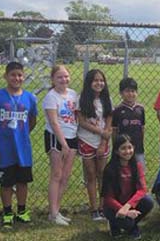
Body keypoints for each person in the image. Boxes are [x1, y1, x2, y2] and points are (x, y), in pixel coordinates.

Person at [0, 61, 38, 228]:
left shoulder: (29, 97)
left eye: (20, 75)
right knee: (6, 182)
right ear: (6, 76)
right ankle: (7, 212)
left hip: (22, 149)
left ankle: (21, 211)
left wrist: (21, 135)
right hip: (4, 149)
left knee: (23, 181)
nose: (17, 78)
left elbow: (32, 120)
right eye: (13, 75)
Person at [42, 65, 79, 226]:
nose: (63, 80)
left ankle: (56, 211)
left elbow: (76, 115)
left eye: (66, 76)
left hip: (72, 136)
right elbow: (54, 122)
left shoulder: (72, 94)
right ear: (53, 80)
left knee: (65, 176)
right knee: (56, 175)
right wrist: (63, 143)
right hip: (56, 138)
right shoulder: (51, 97)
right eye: (59, 77)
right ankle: (53, 212)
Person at [101, 134, 153, 240]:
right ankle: (117, 224)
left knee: (148, 202)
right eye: (123, 148)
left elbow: (142, 190)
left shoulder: (137, 166)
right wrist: (122, 210)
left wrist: (127, 207)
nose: (127, 151)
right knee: (128, 223)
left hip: (129, 205)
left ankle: (130, 225)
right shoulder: (110, 169)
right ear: (116, 151)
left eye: (130, 147)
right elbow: (108, 198)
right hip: (113, 207)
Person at [77, 69, 113, 221]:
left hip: (102, 142)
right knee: (90, 174)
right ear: (89, 83)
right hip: (86, 140)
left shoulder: (107, 99)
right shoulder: (82, 99)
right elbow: (82, 121)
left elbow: (109, 120)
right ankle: (93, 209)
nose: (99, 83)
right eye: (95, 81)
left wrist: (103, 141)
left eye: (101, 80)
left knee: (102, 174)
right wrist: (100, 132)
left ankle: (103, 207)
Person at [112, 77, 146, 171]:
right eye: (127, 91)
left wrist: (141, 142)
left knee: (140, 171)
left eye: (133, 91)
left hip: (138, 147)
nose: (131, 94)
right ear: (121, 93)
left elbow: (142, 128)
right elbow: (114, 130)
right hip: (123, 148)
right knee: (123, 172)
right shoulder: (117, 110)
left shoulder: (140, 109)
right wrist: (115, 145)